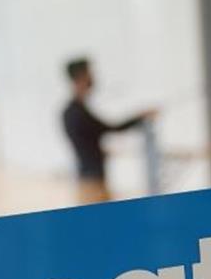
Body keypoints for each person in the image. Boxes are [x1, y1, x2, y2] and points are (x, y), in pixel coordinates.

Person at [61, 58, 157, 203]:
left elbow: (90, 137)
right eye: (89, 73)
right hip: (92, 183)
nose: (93, 77)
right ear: (80, 77)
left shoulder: (73, 111)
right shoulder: (76, 112)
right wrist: (140, 117)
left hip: (90, 179)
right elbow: (110, 128)